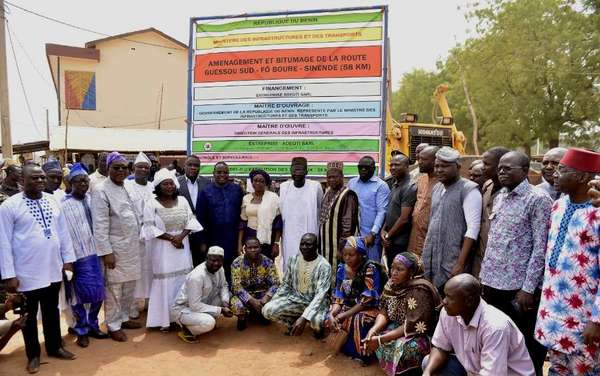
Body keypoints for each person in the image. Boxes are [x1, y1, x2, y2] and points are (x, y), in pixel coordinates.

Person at [479, 151, 552, 374]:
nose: (502, 172)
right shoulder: (500, 196)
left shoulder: (538, 200)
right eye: (500, 168)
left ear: (525, 171)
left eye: (508, 168)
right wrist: (483, 278)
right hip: (493, 284)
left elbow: (541, 248)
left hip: (518, 289)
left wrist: (528, 288)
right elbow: (495, 241)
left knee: (526, 347)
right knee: (499, 343)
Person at [0, 164, 77, 373]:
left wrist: (68, 260)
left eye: (42, 177)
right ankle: (33, 355)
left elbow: (64, 233)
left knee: (52, 311)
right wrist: (9, 275)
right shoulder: (9, 206)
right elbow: (4, 243)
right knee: (29, 316)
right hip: (26, 273)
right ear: (21, 181)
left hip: (52, 268)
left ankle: (54, 348)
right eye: (34, 178)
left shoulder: (53, 201)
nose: (41, 181)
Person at [535, 148, 600, 376]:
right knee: (556, 369)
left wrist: (597, 320)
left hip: (584, 315)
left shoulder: (598, 213)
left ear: (583, 177)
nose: (554, 174)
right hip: (553, 313)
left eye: (562, 170)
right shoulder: (558, 205)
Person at [422, 274, 535, 376]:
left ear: (469, 301)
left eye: (450, 297)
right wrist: (427, 372)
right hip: (474, 371)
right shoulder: (448, 313)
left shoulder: (495, 326)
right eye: (445, 296)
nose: (444, 301)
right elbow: (441, 347)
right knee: (428, 363)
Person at [142, 168, 203, 330]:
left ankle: (181, 317)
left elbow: (191, 221)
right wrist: (171, 238)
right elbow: (149, 228)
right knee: (165, 282)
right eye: (165, 184)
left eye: (171, 183)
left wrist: (180, 237)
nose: (169, 187)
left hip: (182, 247)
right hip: (162, 250)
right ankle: (163, 320)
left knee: (182, 280)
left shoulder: (183, 200)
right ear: (158, 186)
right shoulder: (151, 203)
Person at [91, 151, 142, 342]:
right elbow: (100, 225)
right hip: (115, 249)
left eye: (123, 167)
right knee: (114, 288)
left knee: (129, 286)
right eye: (116, 167)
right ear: (108, 168)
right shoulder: (100, 190)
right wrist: (107, 253)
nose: (120, 171)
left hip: (132, 247)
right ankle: (113, 325)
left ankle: (125, 317)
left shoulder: (127, 186)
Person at [363, 252, 440, 376]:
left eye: (400, 269)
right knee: (371, 329)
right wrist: (375, 330)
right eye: (393, 267)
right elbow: (385, 311)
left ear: (411, 272)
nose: (394, 272)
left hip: (419, 334)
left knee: (407, 350)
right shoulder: (391, 284)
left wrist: (380, 339)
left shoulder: (420, 290)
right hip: (397, 326)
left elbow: (412, 325)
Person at [422, 147, 481, 293]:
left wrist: (460, 264)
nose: (440, 170)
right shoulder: (437, 188)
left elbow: (473, 229)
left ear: (458, 167)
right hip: (432, 257)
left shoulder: (469, 190)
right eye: (437, 166)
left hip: (453, 261)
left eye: (445, 166)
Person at [61, 163, 108, 348]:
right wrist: (67, 260)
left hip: (97, 254)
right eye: (78, 181)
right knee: (78, 296)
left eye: (85, 180)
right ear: (70, 183)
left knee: (98, 293)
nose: (83, 183)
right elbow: (62, 235)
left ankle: (93, 325)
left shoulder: (93, 200)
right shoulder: (63, 205)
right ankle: (81, 330)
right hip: (77, 257)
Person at [325, 236, 383, 364]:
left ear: (361, 254)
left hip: (370, 307)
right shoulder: (342, 269)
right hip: (350, 306)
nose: (347, 258)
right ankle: (345, 348)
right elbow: (340, 295)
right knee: (328, 317)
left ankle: (363, 354)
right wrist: (333, 313)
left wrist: (343, 315)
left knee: (359, 319)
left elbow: (366, 300)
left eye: (351, 255)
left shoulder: (370, 268)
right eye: (345, 254)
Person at [262, 233, 331, 337]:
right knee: (268, 310)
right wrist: (275, 300)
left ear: (316, 246)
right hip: (296, 298)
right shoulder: (293, 259)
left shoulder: (324, 265)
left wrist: (304, 318)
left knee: (317, 323)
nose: (304, 247)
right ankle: (292, 322)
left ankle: (315, 327)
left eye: (308, 245)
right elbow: (285, 285)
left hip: (317, 302)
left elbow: (320, 296)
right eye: (302, 244)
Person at [170, 246, 232, 343]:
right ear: (206, 259)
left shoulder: (220, 269)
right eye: (212, 260)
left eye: (219, 261)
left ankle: (203, 319)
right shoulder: (197, 276)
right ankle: (187, 330)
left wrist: (225, 303)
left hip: (204, 301)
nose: (216, 263)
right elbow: (194, 306)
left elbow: (224, 285)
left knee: (228, 295)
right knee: (209, 323)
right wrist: (220, 310)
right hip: (184, 309)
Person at [197, 162, 243, 281]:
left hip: (232, 237)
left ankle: (230, 295)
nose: (222, 175)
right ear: (213, 174)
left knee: (232, 268)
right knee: (214, 268)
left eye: (225, 172)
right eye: (219, 172)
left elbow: (242, 214)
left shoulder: (237, 190)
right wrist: (202, 241)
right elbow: (200, 218)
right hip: (212, 237)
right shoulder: (205, 192)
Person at [125, 152, 155, 320]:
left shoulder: (153, 187)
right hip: (134, 236)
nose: (143, 170)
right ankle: (134, 304)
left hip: (151, 236)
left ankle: (151, 302)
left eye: (146, 167)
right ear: (134, 169)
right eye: (140, 167)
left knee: (151, 268)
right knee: (136, 271)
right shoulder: (127, 186)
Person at [472, 146, 510, 278]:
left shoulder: (511, 192)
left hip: (501, 263)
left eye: (487, 164)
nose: (482, 167)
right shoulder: (487, 186)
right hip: (480, 256)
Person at [280, 157, 324, 267]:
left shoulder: (315, 186)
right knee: (290, 264)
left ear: (306, 171)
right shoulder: (284, 187)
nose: (297, 173)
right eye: (295, 170)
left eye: (300, 170)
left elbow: (320, 208)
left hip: (310, 232)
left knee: (310, 265)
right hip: (289, 235)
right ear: (290, 171)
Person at [230, 237, 279, 331]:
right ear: (245, 249)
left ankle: (263, 314)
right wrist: (252, 301)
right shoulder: (237, 263)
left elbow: (276, 283)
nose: (253, 250)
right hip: (245, 296)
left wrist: (266, 298)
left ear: (260, 248)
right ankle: (242, 317)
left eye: (256, 247)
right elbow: (236, 287)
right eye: (250, 247)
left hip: (262, 296)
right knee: (236, 304)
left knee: (273, 303)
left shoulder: (268, 262)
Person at [318, 161, 359, 273]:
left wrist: (342, 249)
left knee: (339, 274)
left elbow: (348, 225)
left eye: (335, 177)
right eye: (329, 177)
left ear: (342, 177)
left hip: (338, 247)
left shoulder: (348, 195)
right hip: (326, 245)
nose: (331, 180)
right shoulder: (327, 193)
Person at [348, 156, 390, 262]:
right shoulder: (352, 183)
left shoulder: (381, 186)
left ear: (373, 168)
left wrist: (373, 233)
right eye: (361, 167)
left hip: (371, 237)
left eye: (366, 167)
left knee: (371, 268)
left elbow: (382, 212)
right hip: (353, 236)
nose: (363, 170)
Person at [381, 154, 416, 270]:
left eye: (397, 165)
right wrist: (383, 231)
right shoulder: (395, 184)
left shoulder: (409, 187)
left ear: (407, 166)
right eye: (391, 165)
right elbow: (390, 211)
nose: (393, 168)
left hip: (400, 242)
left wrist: (388, 235)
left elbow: (404, 219)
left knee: (398, 272)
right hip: (390, 239)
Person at [238, 169, 282, 260]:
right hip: (249, 237)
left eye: (261, 181)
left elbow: (278, 222)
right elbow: (242, 222)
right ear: (252, 182)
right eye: (255, 180)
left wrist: (276, 244)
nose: (258, 183)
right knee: (249, 264)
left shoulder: (273, 198)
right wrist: (239, 244)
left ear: (266, 183)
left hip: (267, 238)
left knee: (266, 265)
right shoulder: (246, 198)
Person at [177, 155, 210, 267]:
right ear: (184, 166)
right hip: (182, 230)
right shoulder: (176, 183)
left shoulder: (207, 183)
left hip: (201, 230)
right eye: (190, 165)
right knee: (182, 260)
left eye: (196, 165)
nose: (193, 167)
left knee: (200, 261)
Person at [407, 146, 439, 255]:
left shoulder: (442, 183)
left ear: (435, 161)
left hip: (431, 240)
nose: (419, 162)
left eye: (423, 159)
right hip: (415, 236)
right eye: (419, 158)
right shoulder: (421, 180)